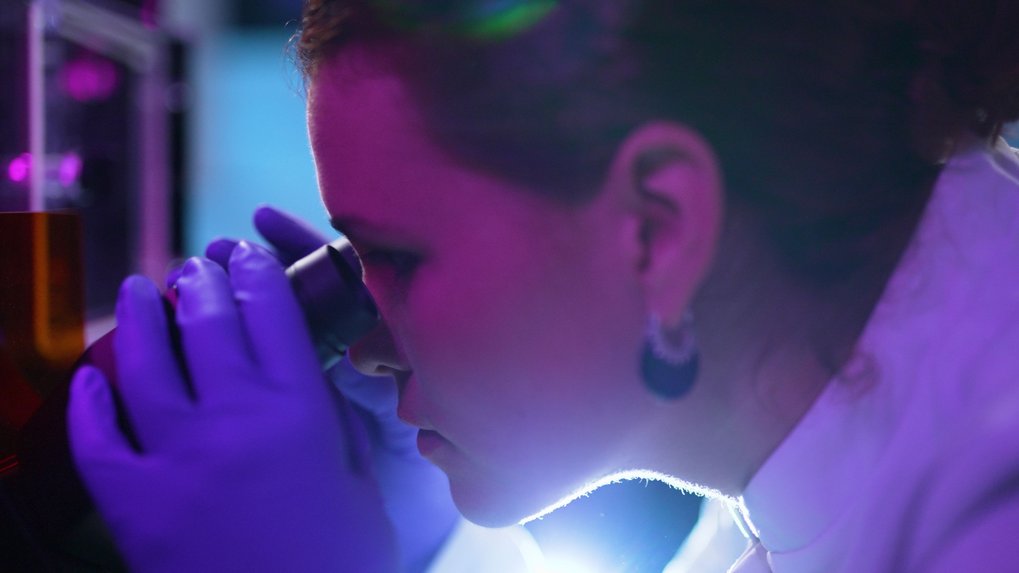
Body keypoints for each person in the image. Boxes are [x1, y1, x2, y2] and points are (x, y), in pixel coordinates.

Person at [66, 0, 1019, 571]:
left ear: (657, 230)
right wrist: (426, 552)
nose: (359, 340)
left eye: (396, 256)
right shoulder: (805, 469)